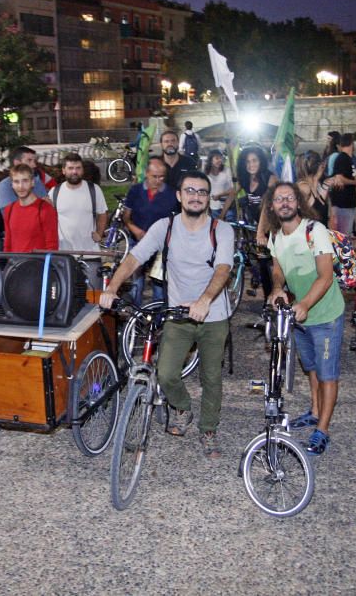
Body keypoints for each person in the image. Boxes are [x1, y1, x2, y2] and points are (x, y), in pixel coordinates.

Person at [100, 170, 234, 458]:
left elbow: (223, 268)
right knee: (166, 373)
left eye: (201, 192)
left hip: (213, 314)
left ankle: (208, 428)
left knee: (211, 376)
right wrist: (112, 288)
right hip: (177, 314)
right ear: (179, 195)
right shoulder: (166, 227)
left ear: (208, 198)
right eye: (190, 191)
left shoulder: (222, 230)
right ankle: (182, 409)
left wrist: (204, 300)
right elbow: (135, 258)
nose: (195, 196)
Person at [265, 183, 346, 455]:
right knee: (310, 366)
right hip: (300, 316)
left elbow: (326, 275)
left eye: (289, 198)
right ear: (273, 207)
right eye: (279, 199)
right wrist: (277, 288)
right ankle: (314, 410)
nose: (284, 202)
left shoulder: (314, 231)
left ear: (298, 202)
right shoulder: (275, 236)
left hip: (325, 315)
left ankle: (322, 430)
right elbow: (277, 270)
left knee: (327, 374)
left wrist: (305, 304)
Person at [124, 158, 179, 304]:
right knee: (137, 281)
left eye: (162, 176)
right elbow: (126, 217)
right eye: (155, 176)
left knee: (159, 285)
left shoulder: (172, 194)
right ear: (147, 174)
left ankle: (157, 316)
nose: (158, 180)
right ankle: (135, 314)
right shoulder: (135, 191)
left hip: (161, 246)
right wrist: (134, 229)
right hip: (138, 241)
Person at [52, 153, 109, 289]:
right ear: (64, 170)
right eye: (71, 168)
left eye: (78, 168)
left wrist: (100, 233)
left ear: (82, 170)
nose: (74, 172)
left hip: (91, 254)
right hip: (64, 256)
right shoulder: (55, 192)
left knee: (93, 297)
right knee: (67, 296)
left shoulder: (94, 190)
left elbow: (103, 214)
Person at [235, 145, 276, 301]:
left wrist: (260, 232)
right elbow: (234, 193)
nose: (251, 165)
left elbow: (267, 206)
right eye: (247, 162)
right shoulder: (246, 179)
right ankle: (268, 301)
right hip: (258, 226)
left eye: (254, 161)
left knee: (278, 265)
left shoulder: (269, 178)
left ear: (261, 161)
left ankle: (280, 297)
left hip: (273, 227)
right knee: (263, 263)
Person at [2, 164, 59, 253]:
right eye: (16, 182)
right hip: (14, 264)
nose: (21, 186)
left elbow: (52, 245)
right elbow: (7, 244)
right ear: (12, 185)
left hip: (38, 265)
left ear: (32, 182)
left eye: (25, 181)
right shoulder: (9, 210)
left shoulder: (45, 209)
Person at [326, 133, 356, 237]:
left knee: (345, 233)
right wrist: (355, 182)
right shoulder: (342, 158)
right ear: (351, 144)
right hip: (343, 203)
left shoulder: (348, 159)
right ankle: (342, 253)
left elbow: (349, 176)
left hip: (347, 202)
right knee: (343, 235)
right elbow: (339, 177)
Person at [0, 146, 48, 212]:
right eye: (29, 160)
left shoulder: (36, 181)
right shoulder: (5, 186)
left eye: (34, 161)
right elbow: (14, 214)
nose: (34, 165)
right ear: (17, 163)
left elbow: (47, 208)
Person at [296, 151, 330, 226]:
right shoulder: (304, 187)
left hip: (319, 234)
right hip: (310, 235)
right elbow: (304, 213)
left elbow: (320, 207)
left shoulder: (314, 185)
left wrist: (317, 180)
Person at [204, 149, 234, 219]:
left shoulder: (227, 170)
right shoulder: (207, 173)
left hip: (228, 206)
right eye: (217, 158)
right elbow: (206, 191)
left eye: (221, 158)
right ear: (211, 160)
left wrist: (220, 195)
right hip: (214, 207)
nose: (220, 160)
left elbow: (233, 189)